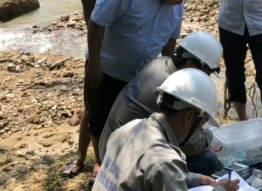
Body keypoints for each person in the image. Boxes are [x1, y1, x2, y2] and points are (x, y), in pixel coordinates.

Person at [61, 0, 173, 181]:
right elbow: (89, 2)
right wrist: (97, 49)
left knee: (120, 107)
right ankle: (82, 156)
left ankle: (114, 157)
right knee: (94, 106)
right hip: (103, 49)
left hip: (134, 57)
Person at [85, 0, 202, 184]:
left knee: (133, 127)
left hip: (142, 74)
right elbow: (97, 22)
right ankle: (102, 166)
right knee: (99, 116)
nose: (183, 0)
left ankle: (128, 169)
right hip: (109, 69)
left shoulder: (175, 3)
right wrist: (95, 64)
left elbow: (170, 40)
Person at [98, 31, 223, 176]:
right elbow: (190, 145)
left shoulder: (160, 62)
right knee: (208, 160)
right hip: (123, 158)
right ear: (190, 64)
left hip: (114, 144)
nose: (205, 78)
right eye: (205, 73)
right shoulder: (174, 89)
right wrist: (208, 136)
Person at [93, 69, 240, 191]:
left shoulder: (128, 128)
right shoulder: (165, 161)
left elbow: (144, 176)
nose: (200, 130)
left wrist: (194, 179)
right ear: (189, 117)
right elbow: (160, 170)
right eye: (202, 124)